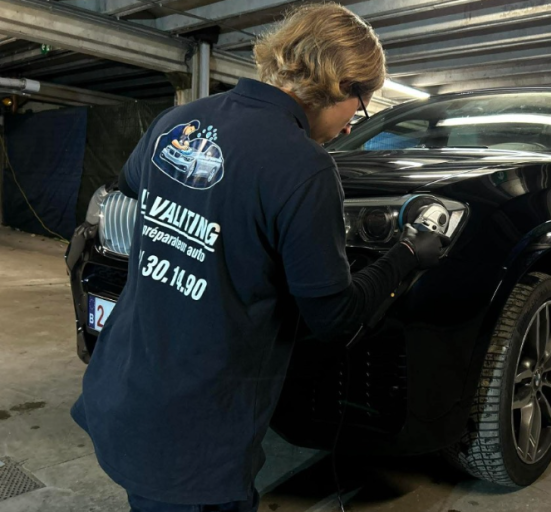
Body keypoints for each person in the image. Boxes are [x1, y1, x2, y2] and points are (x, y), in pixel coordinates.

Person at [70, 4, 447, 512]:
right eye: (360, 106)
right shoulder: (305, 167)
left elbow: (136, 189)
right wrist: (406, 254)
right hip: (194, 438)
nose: (348, 126)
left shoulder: (178, 120)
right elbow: (334, 318)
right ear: (341, 84)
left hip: (123, 392)